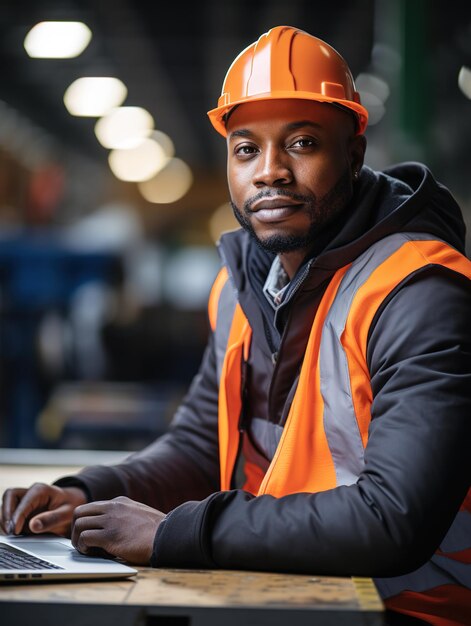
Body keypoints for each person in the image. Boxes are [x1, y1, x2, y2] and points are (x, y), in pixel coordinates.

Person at [1, 25, 470, 626]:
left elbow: (392, 517)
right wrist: (89, 492)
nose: (269, 172)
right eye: (247, 149)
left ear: (353, 154)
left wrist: (177, 532)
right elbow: (202, 444)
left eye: (301, 143)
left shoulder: (418, 292)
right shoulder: (242, 285)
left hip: (412, 607)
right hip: (289, 589)